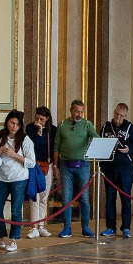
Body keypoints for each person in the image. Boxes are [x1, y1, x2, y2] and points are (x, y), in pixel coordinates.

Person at [0, 110, 36, 252]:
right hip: (1, 177)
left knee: (16, 210)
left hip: (19, 178)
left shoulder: (25, 140)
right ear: (7, 122)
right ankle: (0, 236)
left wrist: (14, 155)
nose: (13, 126)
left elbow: (31, 163)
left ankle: (14, 239)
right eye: (11, 122)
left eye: (17, 124)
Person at [99, 103, 133, 239]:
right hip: (109, 168)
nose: (119, 118)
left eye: (122, 116)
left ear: (125, 116)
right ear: (114, 112)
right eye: (117, 114)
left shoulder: (130, 128)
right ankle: (110, 227)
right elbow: (99, 143)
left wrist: (129, 149)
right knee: (110, 199)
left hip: (125, 169)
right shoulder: (106, 127)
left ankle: (126, 228)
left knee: (125, 199)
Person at [54, 100, 96, 239]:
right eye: (76, 111)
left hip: (83, 165)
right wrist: (55, 165)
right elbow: (56, 146)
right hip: (65, 165)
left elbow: (96, 139)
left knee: (84, 198)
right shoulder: (62, 125)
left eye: (81, 112)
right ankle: (67, 228)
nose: (79, 114)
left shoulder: (87, 124)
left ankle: (85, 227)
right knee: (66, 198)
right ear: (70, 110)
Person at [24, 107, 56, 238]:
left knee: (44, 197)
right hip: (34, 165)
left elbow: (55, 147)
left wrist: (55, 165)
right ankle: (34, 227)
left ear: (47, 119)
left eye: (41, 119)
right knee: (34, 197)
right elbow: (28, 145)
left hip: (47, 165)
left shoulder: (53, 130)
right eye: (37, 118)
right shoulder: (30, 128)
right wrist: (37, 133)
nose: (38, 121)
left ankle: (42, 226)